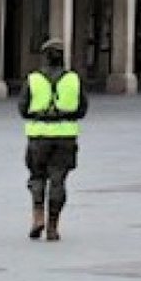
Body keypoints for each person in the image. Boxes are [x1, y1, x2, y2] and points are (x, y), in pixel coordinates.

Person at [18, 38, 88, 241]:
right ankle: (53, 226)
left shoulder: (33, 79)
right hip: (65, 137)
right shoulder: (73, 79)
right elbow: (82, 109)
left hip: (38, 136)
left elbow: (23, 109)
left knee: (37, 176)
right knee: (58, 180)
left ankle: (37, 216)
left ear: (44, 57)